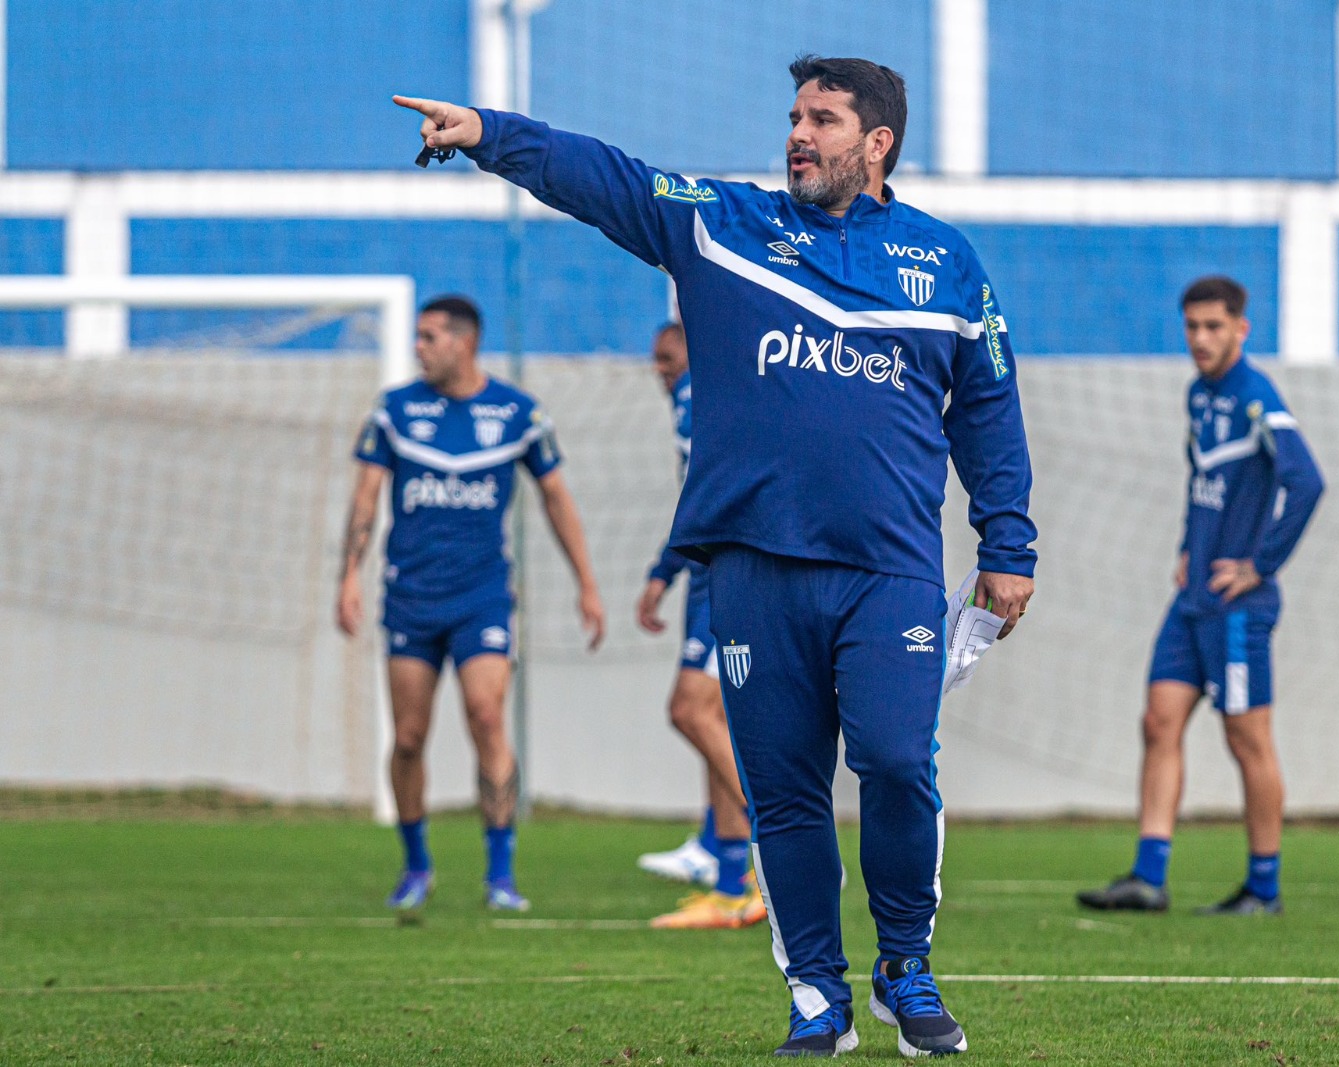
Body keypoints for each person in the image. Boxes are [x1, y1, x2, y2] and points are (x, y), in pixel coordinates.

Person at [396, 51, 1037, 1058]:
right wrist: (490, 133)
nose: (797, 133)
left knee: (896, 762)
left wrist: (1010, 541)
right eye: (792, 116)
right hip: (749, 567)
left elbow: (988, 407)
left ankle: (904, 965)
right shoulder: (723, 224)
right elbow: (608, 175)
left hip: (890, 569)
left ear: (877, 145)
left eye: (822, 119)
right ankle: (816, 995)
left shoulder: (944, 262)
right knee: (781, 793)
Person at [337, 295, 605, 914]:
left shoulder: (518, 413)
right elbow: (366, 497)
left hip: (483, 597)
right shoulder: (395, 411)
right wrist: (348, 576)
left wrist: (586, 583)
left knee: (486, 717)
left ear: (465, 342)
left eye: (430, 337)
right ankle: (416, 865)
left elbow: (557, 499)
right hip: (410, 598)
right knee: (408, 737)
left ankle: (501, 875)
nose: (419, 348)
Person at [1077, 276, 1324, 917]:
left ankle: (1262, 888)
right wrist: (1190, 547)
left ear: (1241, 329)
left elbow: (1307, 482)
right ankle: (1148, 877)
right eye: (1192, 327)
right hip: (1192, 600)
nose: (1201, 339)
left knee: (1247, 740)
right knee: (1159, 722)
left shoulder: (1257, 398)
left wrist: (1258, 565)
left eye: (1214, 327)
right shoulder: (1198, 395)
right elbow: (1203, 480)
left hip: (1237, 608)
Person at [634, 321, 765, 929]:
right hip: (708, 576)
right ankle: (733, 882)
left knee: (691, 710)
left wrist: (664, 570)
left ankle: (786, 840)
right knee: (718, 722)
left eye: (667, 357)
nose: (662, 369)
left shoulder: (700, 395)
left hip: (727, 575)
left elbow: (704, 494)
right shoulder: (705, 395)